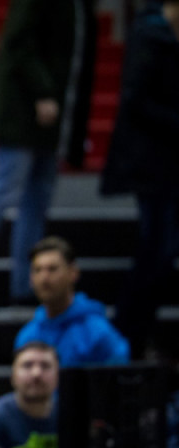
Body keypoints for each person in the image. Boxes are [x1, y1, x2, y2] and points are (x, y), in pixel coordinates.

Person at [0, 0, 98, 318]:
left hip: (52, 120)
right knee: (5, 191)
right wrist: (42, 91)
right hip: (24, 112)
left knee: (36, 201)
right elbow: (19, 41)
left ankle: (25, 289)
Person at [99, 0, 179, 359]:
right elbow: (135, 98)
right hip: (150, 164)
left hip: (167, 163)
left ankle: (135, 336)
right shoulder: (150, 34)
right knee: (155, 251)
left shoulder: (163, 34)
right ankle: (127, 338)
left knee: (161, 251)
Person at [14, 236, 129, 367]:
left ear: (73, 272)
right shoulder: (27, 336)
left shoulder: (98, 332)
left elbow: (117, 379)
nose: (44, 278)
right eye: (37, 270)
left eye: (52, 269)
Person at [0, 342, 59, 448]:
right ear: (13, 376)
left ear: (58, 375)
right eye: (27, 365)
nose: (36, 373)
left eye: (45, 366)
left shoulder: (74, 415)